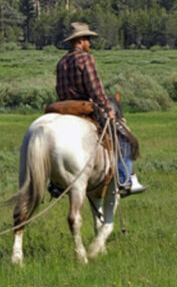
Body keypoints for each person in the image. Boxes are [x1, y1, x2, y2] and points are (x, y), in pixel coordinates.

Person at [55, 22, 148, 196]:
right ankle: (126, 180)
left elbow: (59, 90)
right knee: (122, 136)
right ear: (80, 41)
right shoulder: (86, 59)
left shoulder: (61, 62)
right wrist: (108, 108)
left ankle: (55, 183)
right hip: (84, 107)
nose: (90, 44)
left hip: (65, 108)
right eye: (88, 39)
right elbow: (95, 89)